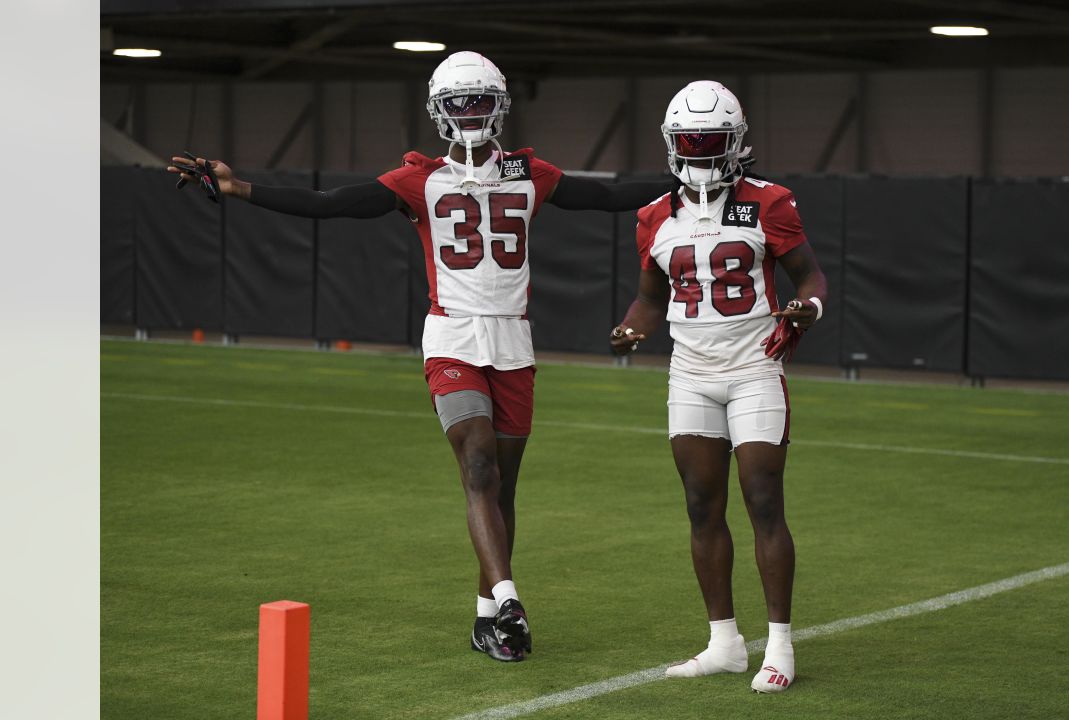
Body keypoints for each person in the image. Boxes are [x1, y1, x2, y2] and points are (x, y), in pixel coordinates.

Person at [169, 51, 673, 663]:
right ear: (438, 111)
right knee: (480, 465)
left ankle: (488, 616)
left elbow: (611, 195)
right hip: (453, 337)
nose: (470, 113)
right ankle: (511, 599)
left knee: (502, 486)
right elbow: (330, 203)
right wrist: (239, 187)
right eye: (459, 103)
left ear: (500, 106)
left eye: (480, 100)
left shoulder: (528, 171)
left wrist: (692, 177)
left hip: (512, 340)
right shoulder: (417, 179)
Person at [609, 80, 827, 693]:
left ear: (736, 144)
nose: (700, 155)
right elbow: (652, 300)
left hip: (755, 366)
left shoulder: (769, 201)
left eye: (711, 143)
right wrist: (631, 328)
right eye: (690, 143)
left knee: (763, 499)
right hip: (692, 374)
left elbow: (809, 274)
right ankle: (725, 642)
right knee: (702, 506)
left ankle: (779, 645)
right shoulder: (654, 215)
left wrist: (808, 308)